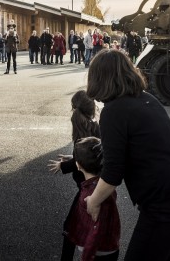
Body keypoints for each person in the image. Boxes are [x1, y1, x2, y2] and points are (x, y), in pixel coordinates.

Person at [85, 49, 170, 261]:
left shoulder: (113, 111)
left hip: (166, 205)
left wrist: (92, 201)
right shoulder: (146, 98)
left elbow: (113, 172)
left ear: (100, 78)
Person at [48, 90, 102, 261]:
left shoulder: (81, 127)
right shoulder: (95, 127)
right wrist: (73, 158)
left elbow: (86, 160)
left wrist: (64, 165)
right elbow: (90, 156)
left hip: (87, 188)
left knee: (71, 228)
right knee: (93, 227)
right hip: (97, 185)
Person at [65, 137, 121, 261]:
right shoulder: (103, 187)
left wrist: (86, 256)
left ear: (78, 165)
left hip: (97, 252)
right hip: (108, 247)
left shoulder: (89, 196)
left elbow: (95, 230)